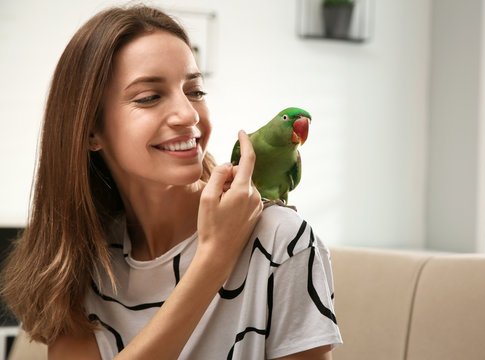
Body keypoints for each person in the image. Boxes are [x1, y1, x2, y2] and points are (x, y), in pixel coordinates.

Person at [1, 5, 342, 359]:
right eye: (149, 97)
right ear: (90, 130)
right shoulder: (81, 261)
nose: (189, 114)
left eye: (195, 91)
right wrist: (214, 259)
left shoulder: (283, 240)